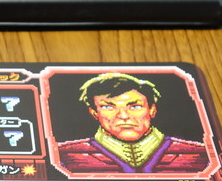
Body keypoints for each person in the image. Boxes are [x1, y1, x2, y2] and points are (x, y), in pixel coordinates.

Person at [57, 73, 208, 174]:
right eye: (108, 107)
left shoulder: (201, 155)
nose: (123, 116)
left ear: (152, 110)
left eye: (135, 107)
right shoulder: (62, 156)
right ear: (94, 113)